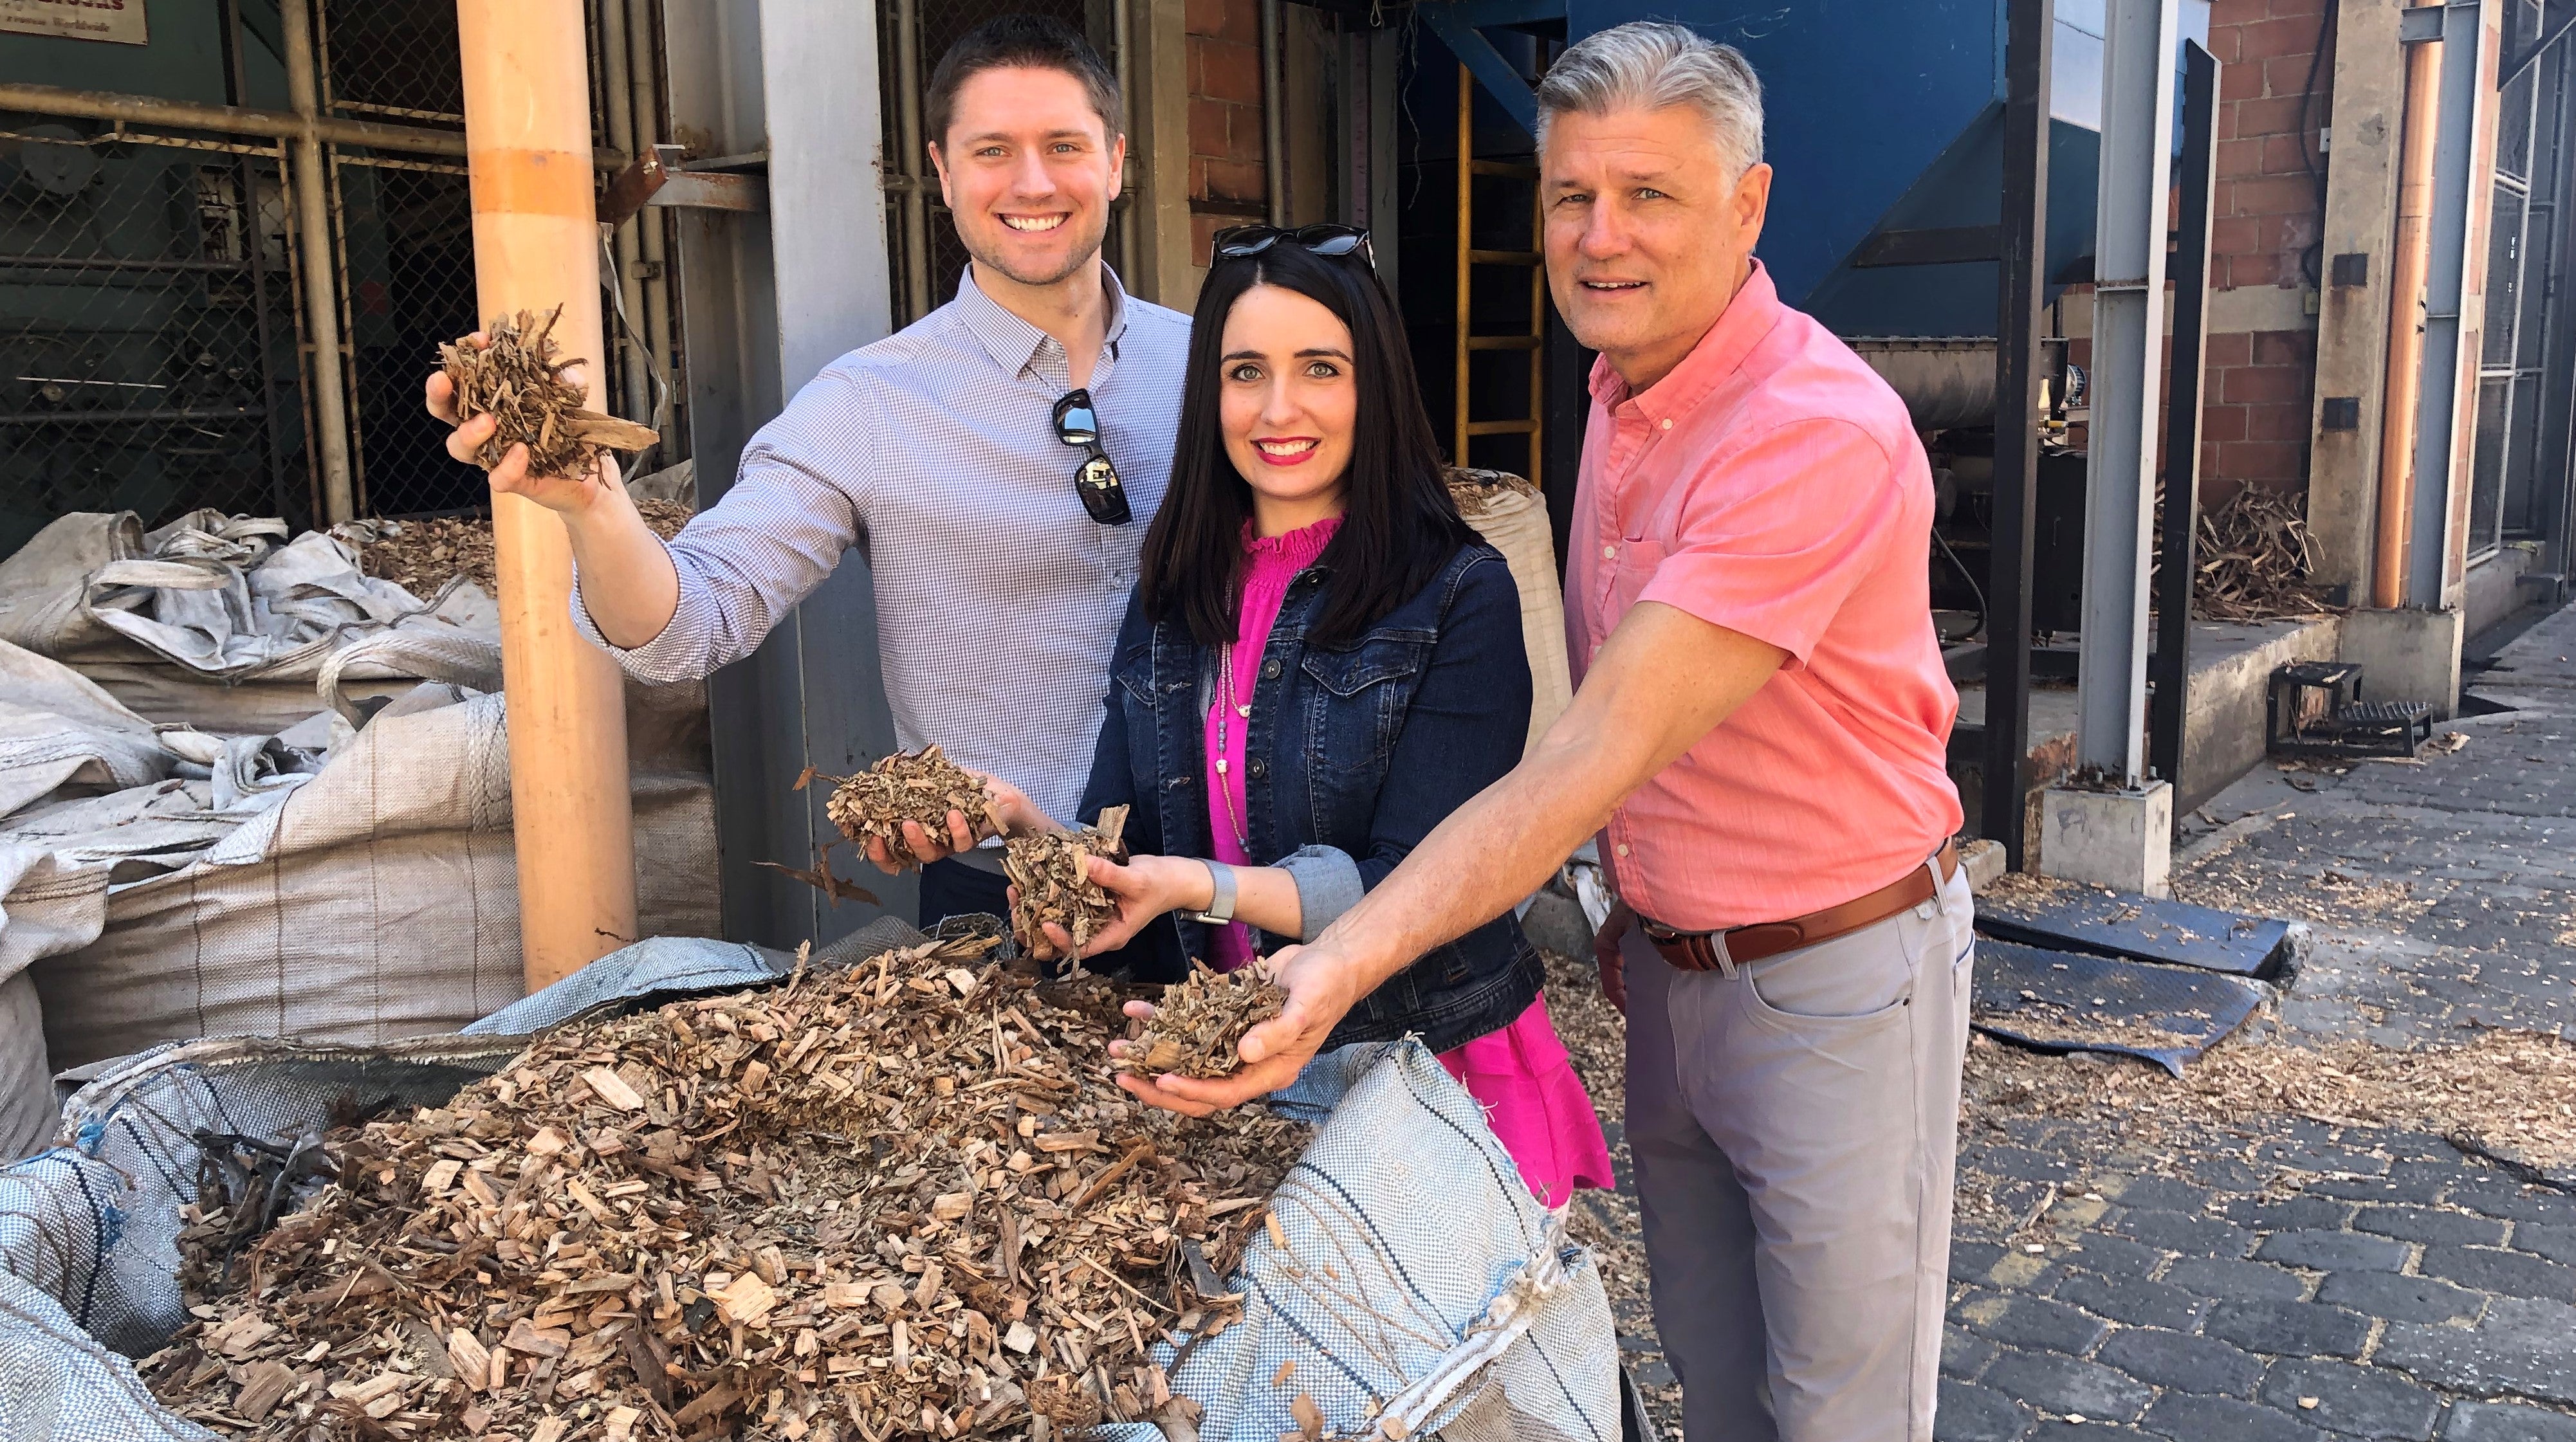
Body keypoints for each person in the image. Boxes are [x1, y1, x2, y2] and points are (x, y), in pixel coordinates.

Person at [1110, 24, 1971, 1442]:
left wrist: (1326, 966)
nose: (1600, 235)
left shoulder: (1810, 431)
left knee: (1842, 1403)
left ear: (1748, 205)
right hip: (1674, 964)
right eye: (1572, 196)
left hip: (1832, 970)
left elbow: (1586, 758)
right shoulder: (1623, 390)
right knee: (1713, 1361)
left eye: (1649, 195)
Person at [423, 15, 1186, 928]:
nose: (1032, 182)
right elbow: (688, 624)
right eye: (993, 151)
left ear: (1114, 161)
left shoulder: (1217, 367)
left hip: (1225, 881)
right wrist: (592, 501)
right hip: (1012, 896)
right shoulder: (869, 405)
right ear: (943, 172)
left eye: (1063, 145)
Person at [977, 226, 1612, 1207]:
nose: (1279, 409)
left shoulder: (1457, 594)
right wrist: (1047, 853)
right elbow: (1127, 843)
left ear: (1377, 386)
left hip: (1415, 1069)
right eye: (1245, 372)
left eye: (1321, 368)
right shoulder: (1174, 587)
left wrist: (1198, 882)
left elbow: (1415, 881)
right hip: (1220, 1062)